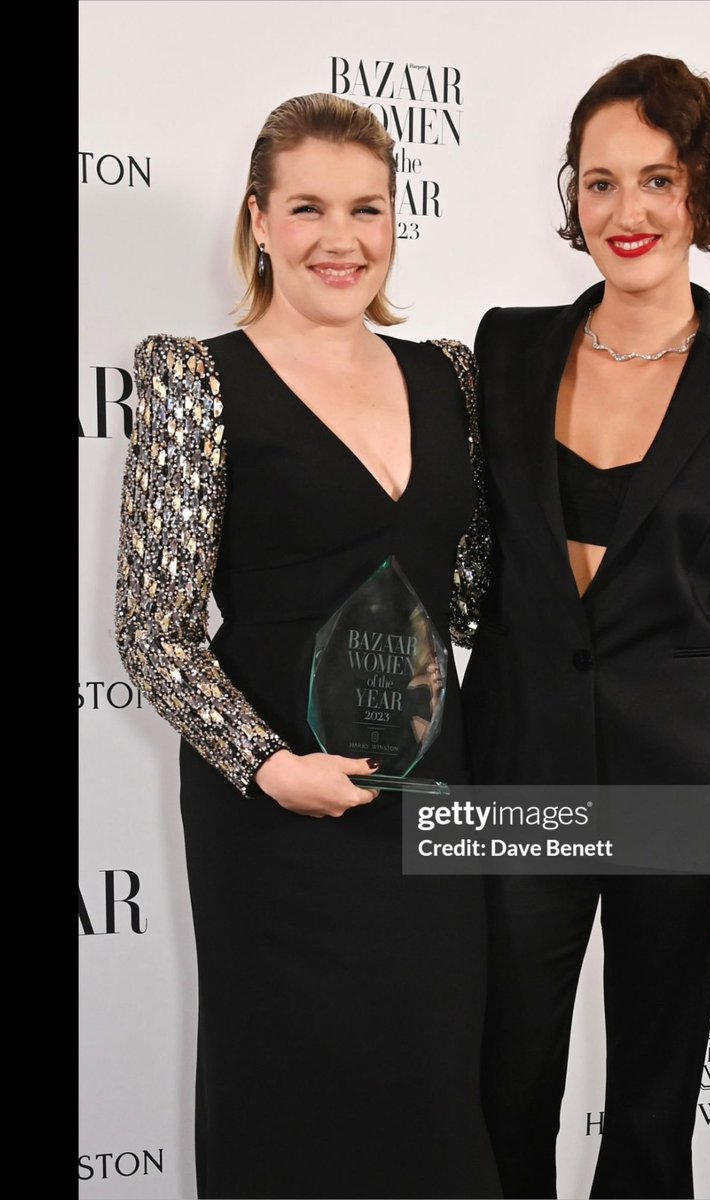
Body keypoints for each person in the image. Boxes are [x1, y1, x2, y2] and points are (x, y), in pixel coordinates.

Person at [114, 92, 501, 1200]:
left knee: (432, 1092)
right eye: (309, 207)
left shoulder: (449, 374)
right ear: (261, 220)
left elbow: (474, 596)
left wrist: (641, 601)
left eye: (368, 208)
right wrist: (268, 765)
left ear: (395, 221)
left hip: (433, 801)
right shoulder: (196, 378)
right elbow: (155, 627)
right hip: (273, 823)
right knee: (290, 1100)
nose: (343, 238)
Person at [461, 54, 710, 1199]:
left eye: (657, 181)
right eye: (600, 182)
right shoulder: (509, 347)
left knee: (652, 1114)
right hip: (518, 773)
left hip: (682, 785)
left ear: (701, 190)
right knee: (501, 1092)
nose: (627, 213)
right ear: (574, 196)